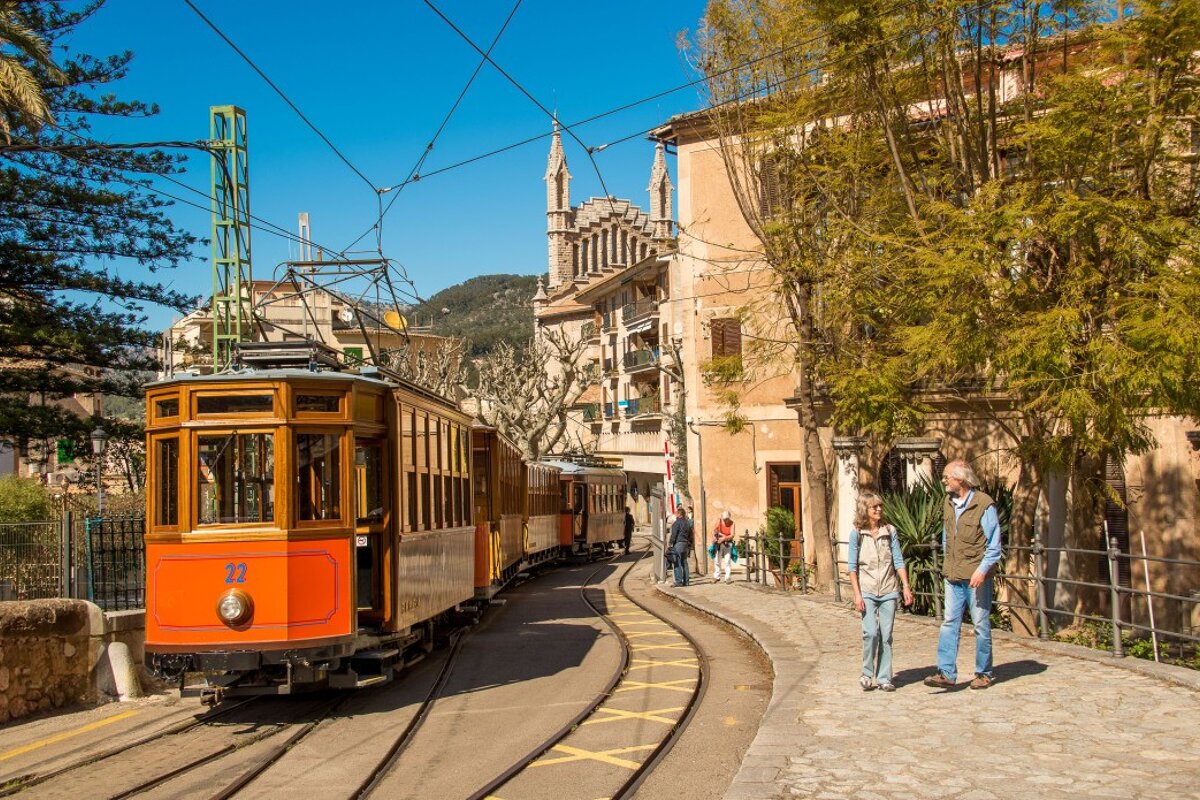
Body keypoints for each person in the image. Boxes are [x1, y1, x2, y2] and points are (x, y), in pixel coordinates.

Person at [923, 459, 1002, 690]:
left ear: (961, 479)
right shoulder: (948, 503)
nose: (944, 480)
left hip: (976, 577)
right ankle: (946, 672)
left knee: (980, 624)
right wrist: (947, 567)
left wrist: (982, 571)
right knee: (949, 623)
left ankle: (984, 673)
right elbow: (948, 538)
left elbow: (994, 544)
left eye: (947, 476)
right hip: (953, 575)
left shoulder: (984, 504)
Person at [847, 492, 913, 691]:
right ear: (864, 510)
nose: (878, 510)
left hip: (888, 590)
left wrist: (906, 586)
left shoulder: (889, 531)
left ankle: (884, 677)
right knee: (871, 633)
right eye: (874, 507)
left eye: (880, 506)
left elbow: (898, 560)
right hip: (866, 590)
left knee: (886, 635)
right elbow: (852, 568)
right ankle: (867, 673)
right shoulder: (857, 533)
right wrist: (857, 595)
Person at [669, 507, 692, 587]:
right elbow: (690, 534)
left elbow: (674, 534)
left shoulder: (676, 523)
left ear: (679, 514)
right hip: (685, 544)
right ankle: (686, 581)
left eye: (676, 513)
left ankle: (679, 581)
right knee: (684, 562)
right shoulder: (687, 523)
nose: (675, 514)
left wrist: (670, 543)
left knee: (677, 562)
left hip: (678, 543)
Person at [711, 511, 736, 583]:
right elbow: (714, 530)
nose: (725, 521)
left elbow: (732, 535)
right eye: (724, 519)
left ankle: (727, 577)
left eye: (727, 519)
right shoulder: (719, 521)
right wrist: (714, 537)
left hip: (727, 543)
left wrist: (724, 538)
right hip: (719, 543)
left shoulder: (732, 523)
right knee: (717, 560)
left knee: (727, 560)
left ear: (729, 517)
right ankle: (716, 576)